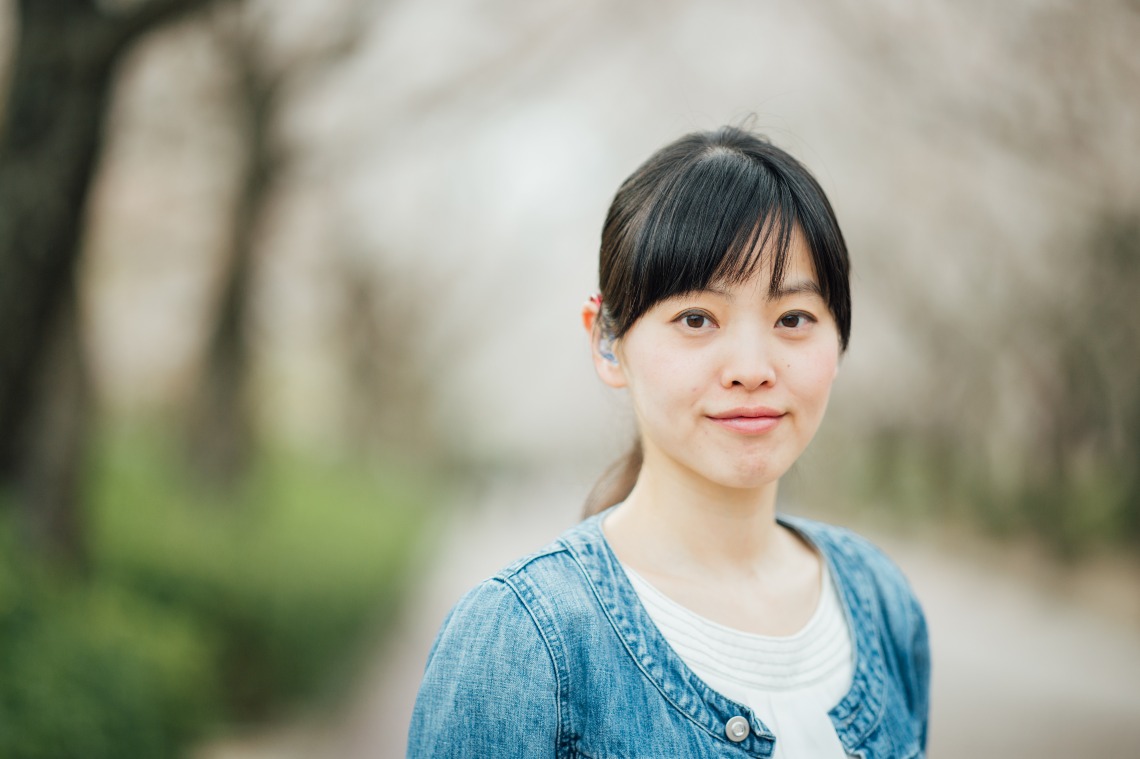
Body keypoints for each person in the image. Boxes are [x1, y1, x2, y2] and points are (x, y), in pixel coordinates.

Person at [407, 126, 930, 758]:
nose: (751, 367)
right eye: (696, 319)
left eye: (793, 319)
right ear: (607, 341)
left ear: (838, 341)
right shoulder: (522, 640)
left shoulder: (880, 604)